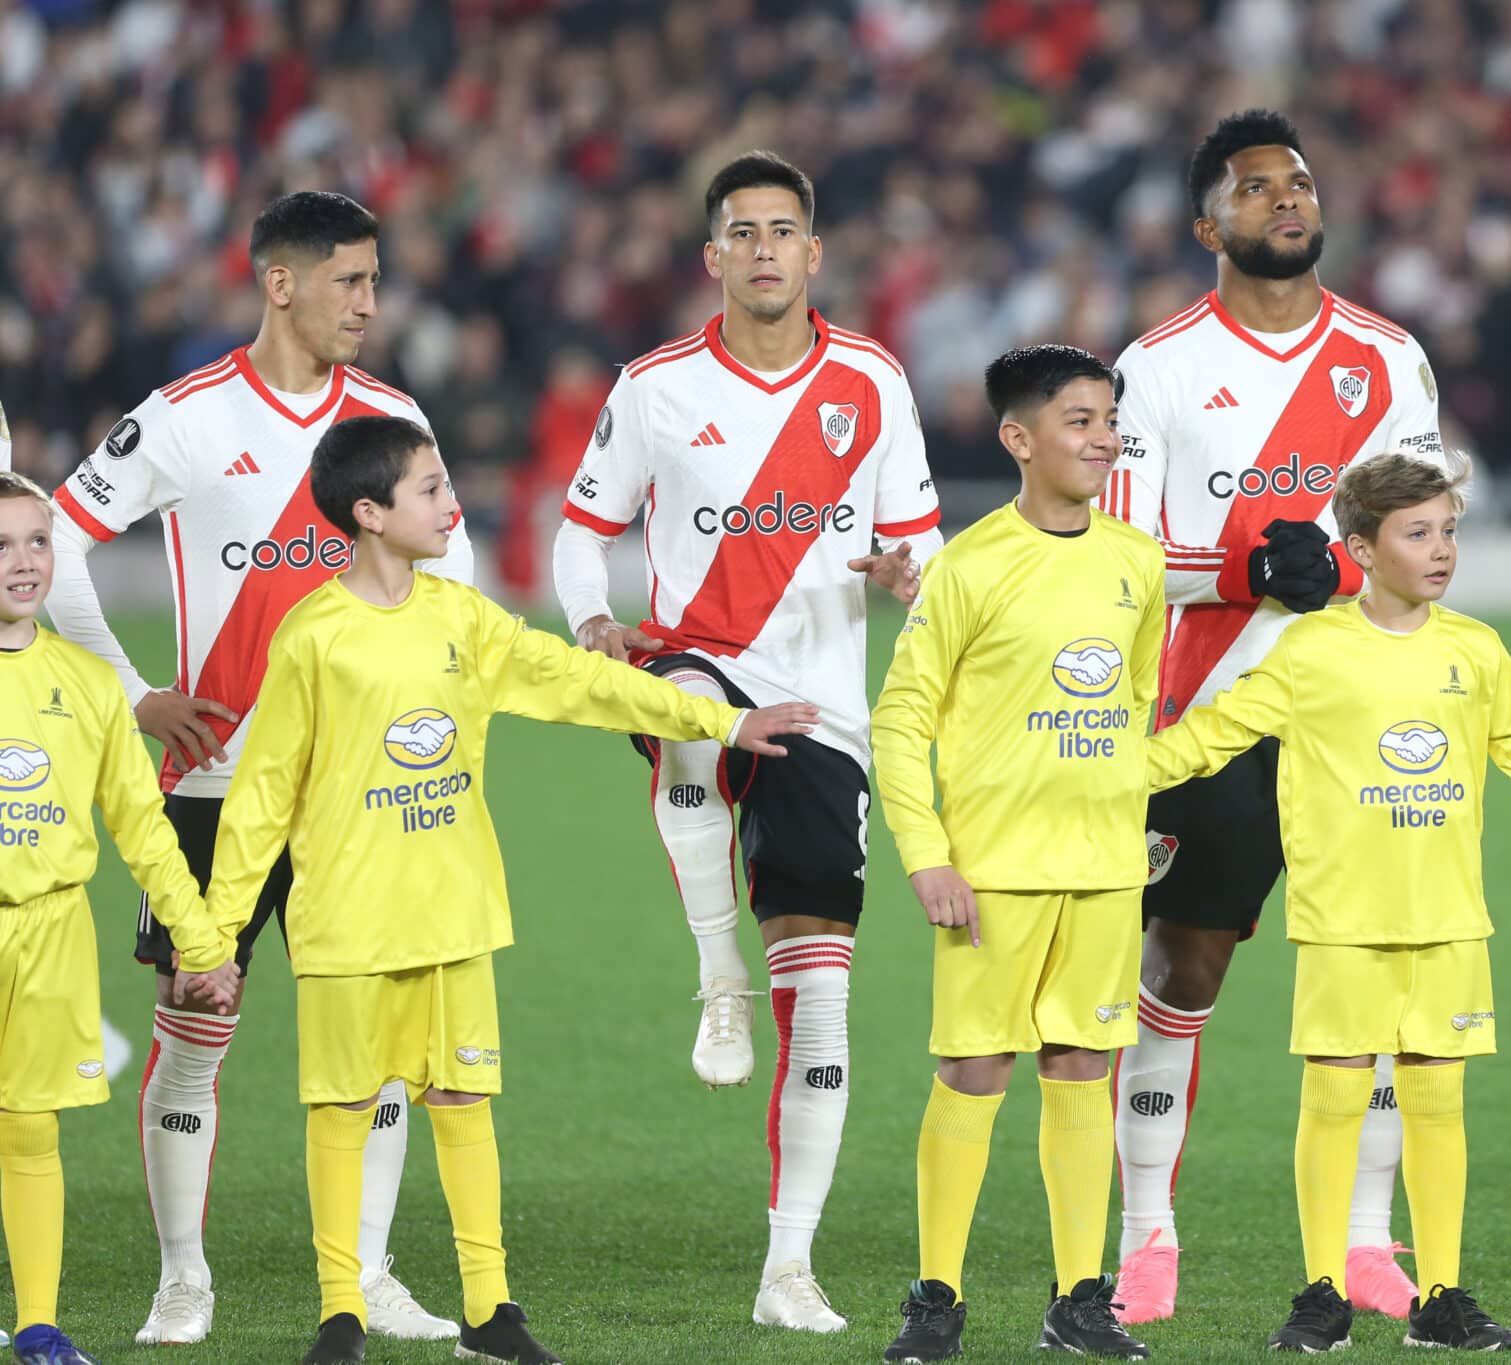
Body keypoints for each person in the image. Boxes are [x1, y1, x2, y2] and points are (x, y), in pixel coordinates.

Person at [182, 415, 818, 1365]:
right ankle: (339, 1313)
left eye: (447, 483)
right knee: (342, 1111)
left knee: (464, 1102)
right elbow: (263, 797)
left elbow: (580, 682)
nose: (451, 502)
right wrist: (216, 939)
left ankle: (490, 1310)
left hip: (454, 915)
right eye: (430, 488)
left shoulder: (461, 618)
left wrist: (719, 721)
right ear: (369, 512)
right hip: (348, 927)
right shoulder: (314, 636)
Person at [44, 190, 472, 1346]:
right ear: (280, 283)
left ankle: (372, 1273)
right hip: (209, 787)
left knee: (379, 1046)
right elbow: (56, 537)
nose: (369, 303)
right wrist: (136, 693)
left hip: (359, 793)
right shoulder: (184, 416)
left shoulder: (391, 414)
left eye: (375, 280)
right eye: (349, 280)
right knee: (194, 1020)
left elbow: (457, 579)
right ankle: (183, 1275)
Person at [552, 150, 941, 1331]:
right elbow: (581, 529)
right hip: (692, 662)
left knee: (819, 995)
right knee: (677, 722)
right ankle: (714, 969)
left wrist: (898, 574)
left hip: (821, 705)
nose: (766, 248)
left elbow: (918, 556)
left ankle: (787, 1269)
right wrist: (590, 620)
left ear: (813, 254)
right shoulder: (657, 383)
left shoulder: (871, 380)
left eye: (785, 230)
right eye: (744, 232)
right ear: (712, 256)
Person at [1149, 453, 1511, 1353]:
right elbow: (1204, 740)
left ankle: (1442, 1297)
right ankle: (1321, 1292)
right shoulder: (1309, 650)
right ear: (1361, 549)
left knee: (1437, 1110)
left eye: (1449, 529)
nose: (1441, 548)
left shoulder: (1475, 651)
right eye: (1417, 532)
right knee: (1335, 1102)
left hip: (1450, 919)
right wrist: (1087, 780)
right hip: (1345, 923)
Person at [1098, 107, 1443, 1326]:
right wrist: (1246, 569)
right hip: (1214, 707)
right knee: (1184, 967)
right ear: (1208, 224)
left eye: (1296, 182)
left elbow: (1415, 531)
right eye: (1255, 189)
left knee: (1379, 982)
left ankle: (1363, 1242)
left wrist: (1340, 572)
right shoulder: (1156, 367)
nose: (1286, 200)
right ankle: (1145, 1235)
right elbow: (1123, 550)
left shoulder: (1387, 359)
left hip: (1365, 711)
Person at [872, 345, 1163, 1363]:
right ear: (1019, 439)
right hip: (990, 875)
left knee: (1085, 1068)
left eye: (1107, 418)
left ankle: (1079, 1301)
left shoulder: (1136, 561)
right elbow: (901, 722)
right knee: (972, 1071)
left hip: (1102, 871)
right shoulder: (967, 565)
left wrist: (1126, 810)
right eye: (1079, 419)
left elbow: (1133, 702)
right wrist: (926, 856)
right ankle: (935, 1300)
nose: (1101, 437)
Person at [0, 471, 237, 1365]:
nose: (24, 563)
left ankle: (37, 1325)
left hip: (51, 931)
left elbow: (144, 827)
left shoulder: (88, 683)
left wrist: (206, 941)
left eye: (36, 540)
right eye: (1, 545)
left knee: (29, 1126)